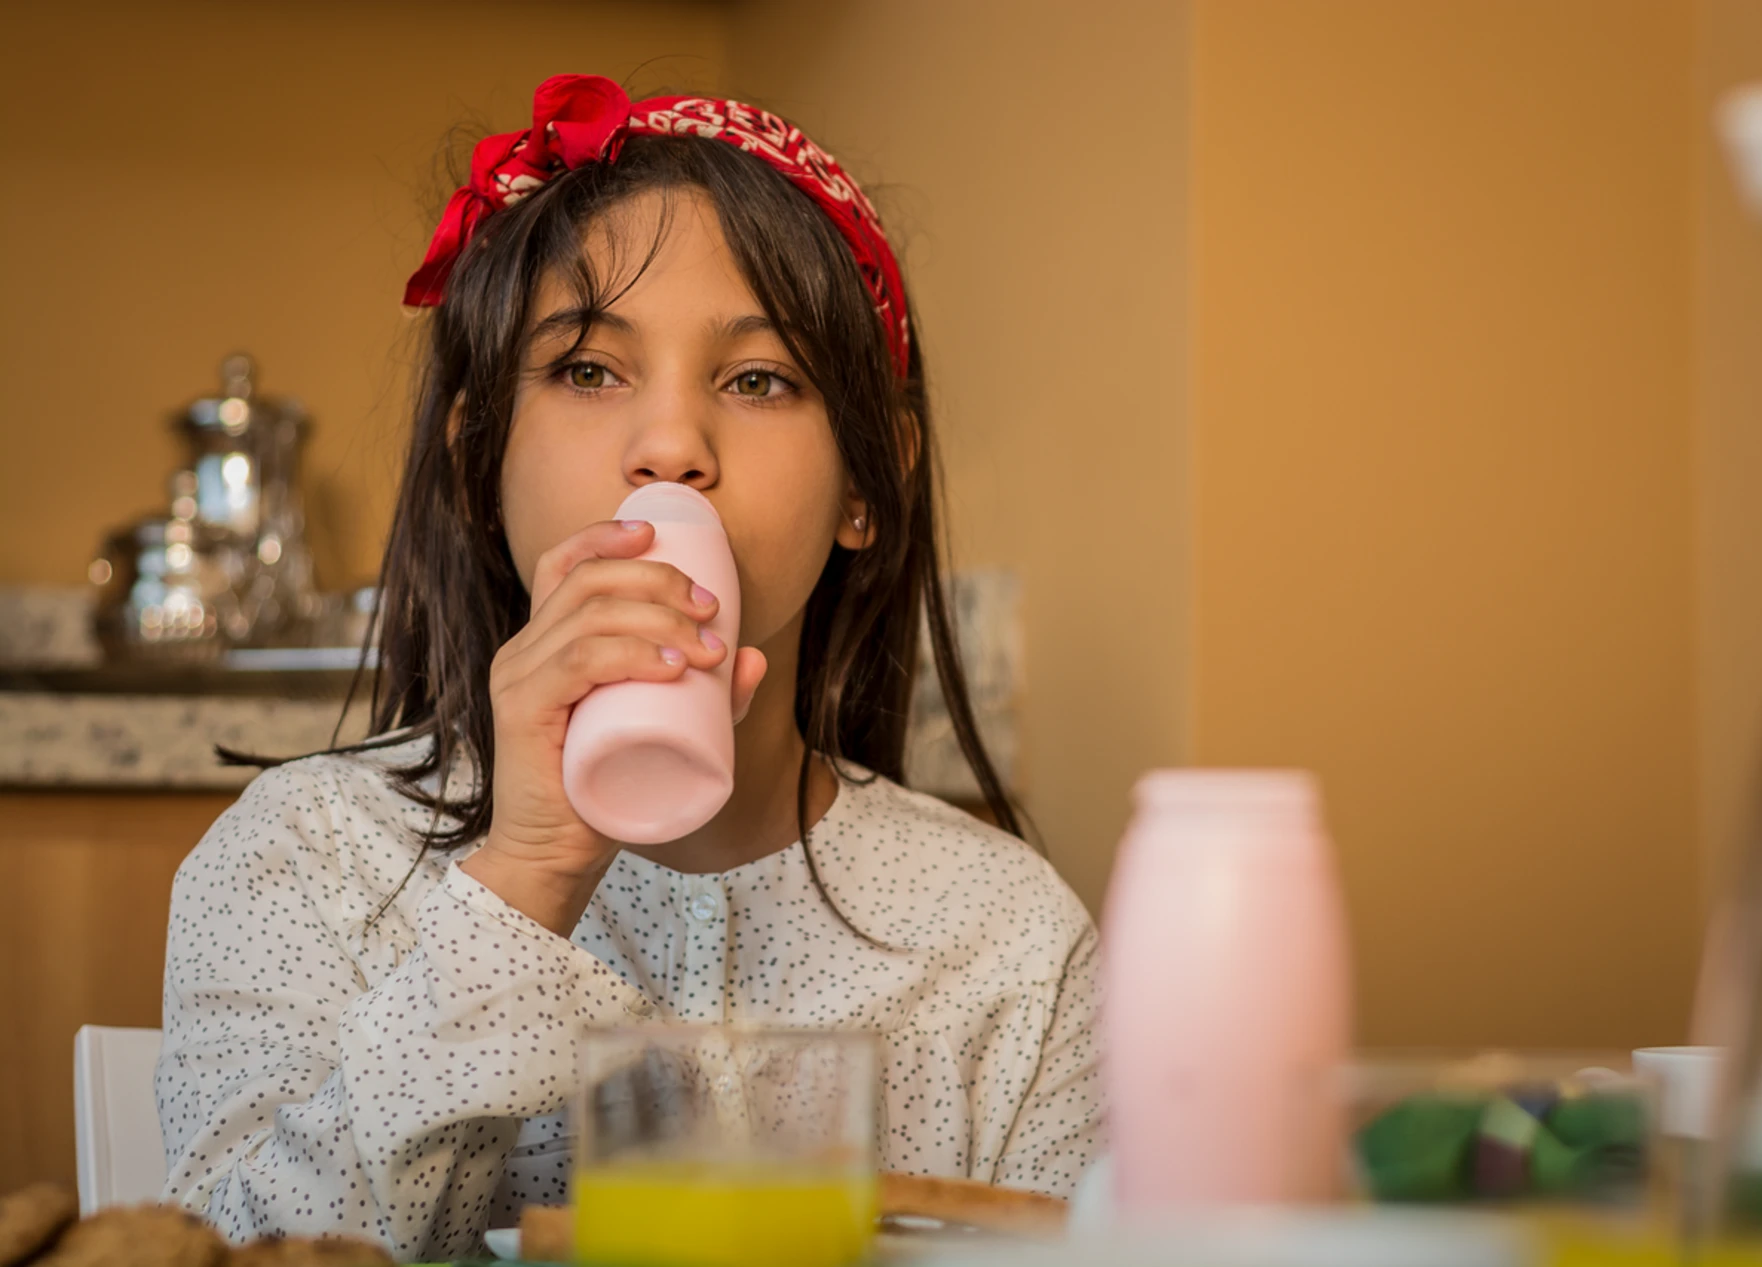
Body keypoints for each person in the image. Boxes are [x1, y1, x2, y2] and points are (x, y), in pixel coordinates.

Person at [156, 76, 1101, 1260]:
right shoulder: (303, 862)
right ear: (474, 460)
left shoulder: (1004, 940)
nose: (669, 447)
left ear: (871, 481)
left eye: (759, 380)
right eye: (589, 370)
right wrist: (526, 876)